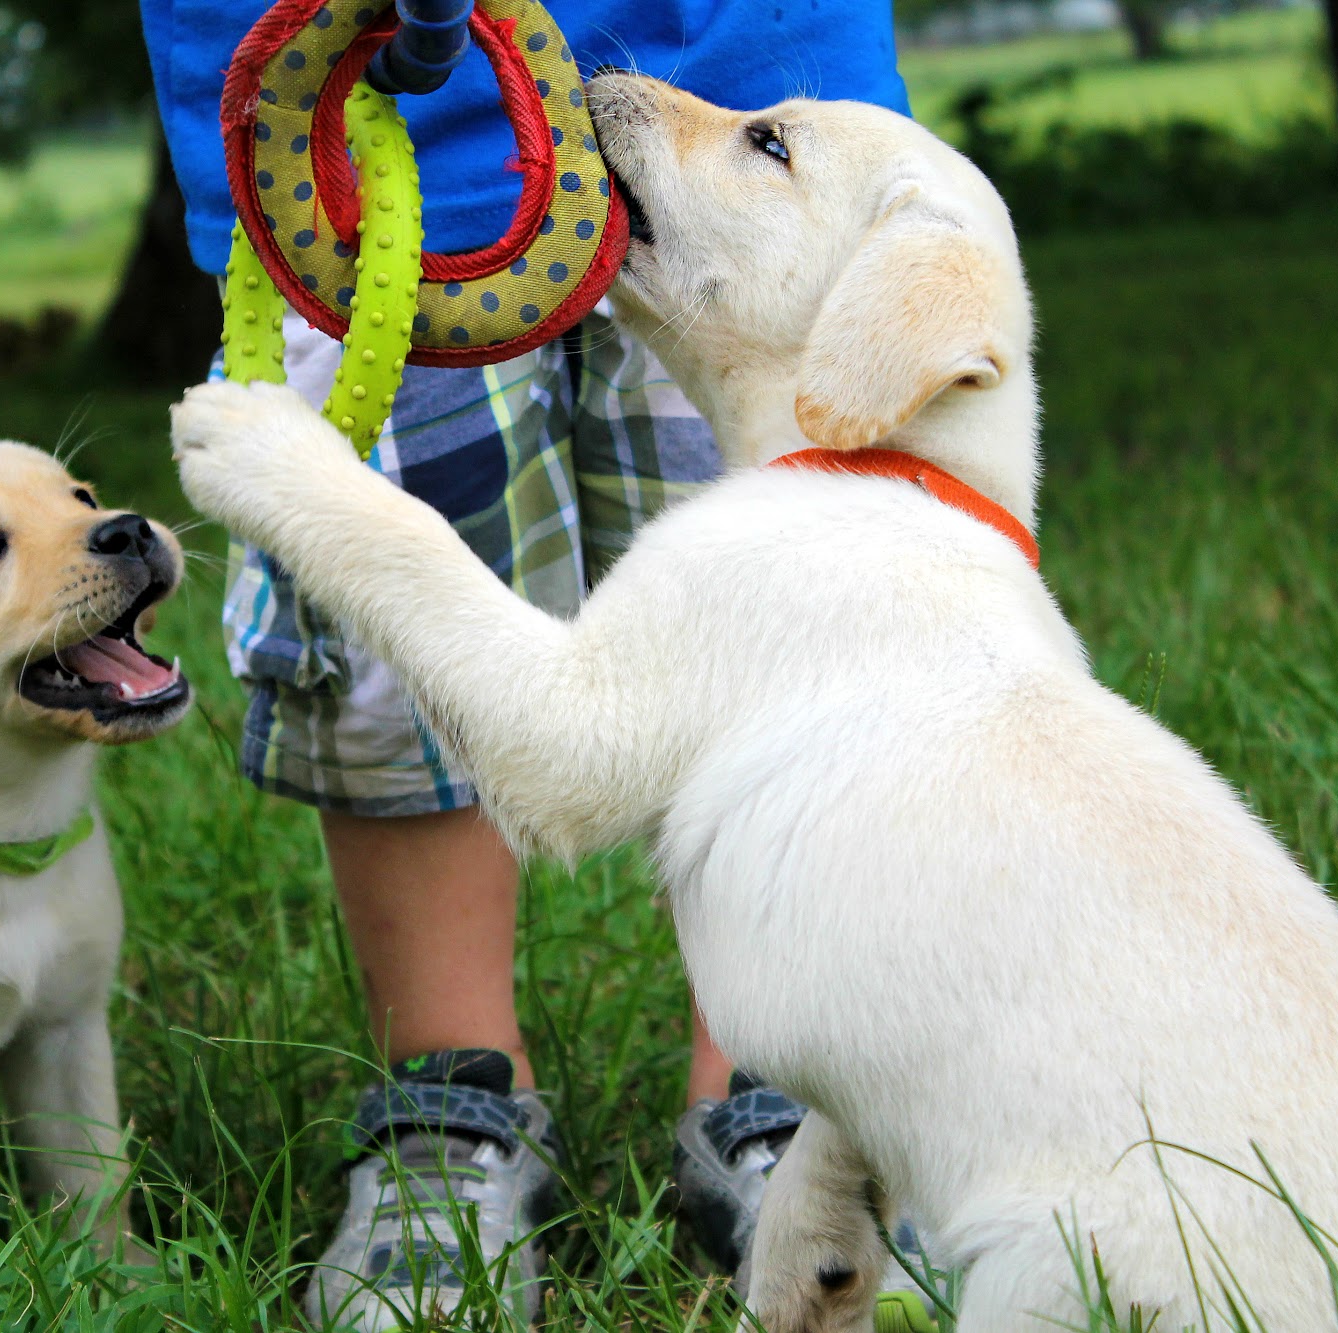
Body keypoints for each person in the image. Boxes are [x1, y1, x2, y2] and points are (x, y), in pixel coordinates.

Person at [139, 1, 910, 1325]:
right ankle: (452, 1099)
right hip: (353, 122)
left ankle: (787, 1089)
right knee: (393, 631)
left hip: (740, 93)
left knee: (793, 634)